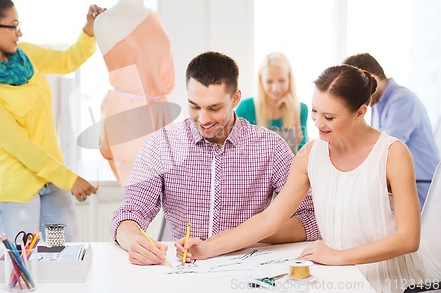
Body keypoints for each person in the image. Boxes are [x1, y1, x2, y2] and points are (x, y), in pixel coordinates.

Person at [176, 64, 430, 293]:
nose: (318, 123)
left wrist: (340, 256)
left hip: (389, 281)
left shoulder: (393, 154)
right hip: (336, 276)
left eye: (329, 117)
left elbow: (409, 238)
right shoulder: (310, 154)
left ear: (360, 112)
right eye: (315, 112)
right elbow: (269, 218)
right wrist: (208, 248)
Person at [110, 51, 319, 266]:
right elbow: (129, 214)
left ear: (235, 98)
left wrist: (250, 233)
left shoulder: (270, 147)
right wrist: (134, 241)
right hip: (182, 268)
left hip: (247, 268)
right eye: (194, 106)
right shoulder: (162, 144)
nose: (203, 119)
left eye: (214, 108)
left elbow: (310, 219)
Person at [0, 0, 103, 241]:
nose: (18, 33)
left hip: (52, 182)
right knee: (26, 267)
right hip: (15, 191)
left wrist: (89, 30)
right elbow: (20, 146)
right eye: (12, 26)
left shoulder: (27, 57)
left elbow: (67, 61)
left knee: (64, 257)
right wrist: (70, 178)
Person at [94, 0, 175, 186]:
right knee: (138, 194)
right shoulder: (106, 21)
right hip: (127, 113)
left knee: (171, 194)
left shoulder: (155, 17)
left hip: (160, 110)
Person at [343, 53, 439, 208]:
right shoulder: (377, 104)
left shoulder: (402, 100)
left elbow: (386, 148)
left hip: (422, 188)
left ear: (371, 78)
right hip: (403, 184)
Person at [236, 52, 308, 152]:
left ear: (289, 79)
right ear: (261, 81)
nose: (276, 88)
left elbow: (301, 151)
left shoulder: (301, 109)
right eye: (269, 81)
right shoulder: (246, 108)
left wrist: (294, 113)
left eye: (281, 80)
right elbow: (234, 147)